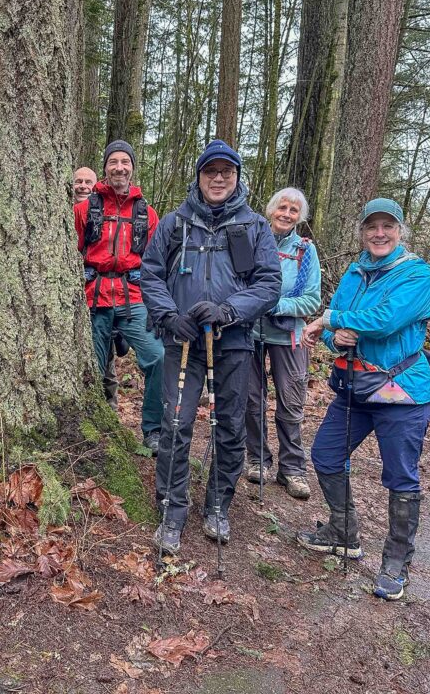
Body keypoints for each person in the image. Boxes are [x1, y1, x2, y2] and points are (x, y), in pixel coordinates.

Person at [141, 139, 280, 555]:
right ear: (199, 177)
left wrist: (229, 311)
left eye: (226, 172)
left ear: (238, 177)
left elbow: (270, 284)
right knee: (176, 423)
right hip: (182, 340)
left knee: (230, 425)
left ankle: (219, 503)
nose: (218, 179)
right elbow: (149, 274)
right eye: (210, 172)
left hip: (233, 342)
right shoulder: (174, 223)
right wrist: (170, 316)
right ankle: (172, 507)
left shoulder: (255, 226)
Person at [298, 198, 430, 601]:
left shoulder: (416, 275)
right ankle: (343, 532)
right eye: (372, 226)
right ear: (362, 232)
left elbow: (385, 320)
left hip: (402, 393)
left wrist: (331, 320)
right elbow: (334, 329)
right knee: (325, 455)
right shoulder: (355, 272)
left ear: (400, 232)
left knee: (400, 475)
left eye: (388, 226)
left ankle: (396, 562)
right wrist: (332, 334)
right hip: (354, 389)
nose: (380, 233)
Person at [74, 141, 165, 453]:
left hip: (133, 298)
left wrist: (157, 304)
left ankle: (153, 430)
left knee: (157, 357)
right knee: (94, 370)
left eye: (125, 162)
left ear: (133, 168)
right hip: (93, 299)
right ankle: (98, 431)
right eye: (113, 162)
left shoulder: (147, 214)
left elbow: (156, 264)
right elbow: (68, 254)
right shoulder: (84, 209)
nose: (119, 168)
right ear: (105, 167)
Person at [244, 188, 322, 500]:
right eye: (282, 207)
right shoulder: (254, 241)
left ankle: (292, 468)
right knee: (252, 399)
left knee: (291, 402)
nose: (286, 214)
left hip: (289, 335)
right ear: (271, 209)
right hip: (250, 333)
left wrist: (275, 305)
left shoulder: (305, 250)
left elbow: (312, 299)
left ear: (299, 217)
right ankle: (257, 458)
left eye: (293, 210)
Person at [73, 166, 128, 410]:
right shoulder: (57, 212)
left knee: (105, 357)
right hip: (74, 300)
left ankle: (110, 409)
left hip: (100, 296)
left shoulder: (103, 212)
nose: (83, 186)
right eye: (78, 181)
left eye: (88, 182)